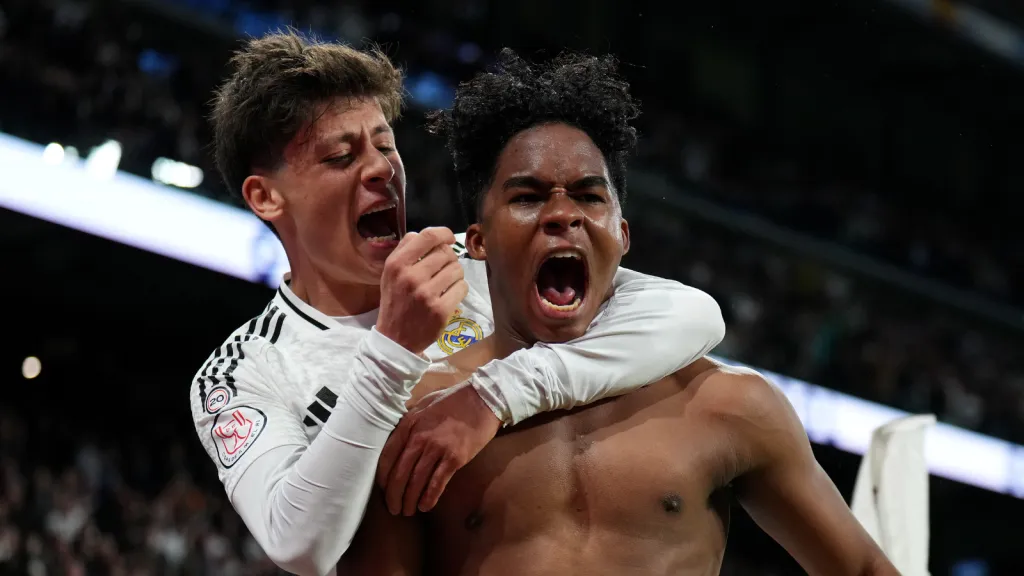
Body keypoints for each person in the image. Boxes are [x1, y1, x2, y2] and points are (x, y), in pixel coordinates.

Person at [342, 49, 899, 576]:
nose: (564, 215)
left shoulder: (731, 405)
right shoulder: (419, 413)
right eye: (529, 196)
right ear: (479, 241)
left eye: (589, 196)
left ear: (622, 236)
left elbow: (863, 567)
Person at [188, 32, 725, 575]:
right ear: (266, 196)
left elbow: (695, 315)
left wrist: (495, 395)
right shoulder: (241, 373)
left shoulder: (469, 257)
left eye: (384, 144)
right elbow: (298, 543)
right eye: (341, 156)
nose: (380, 169)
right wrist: (390, 352)